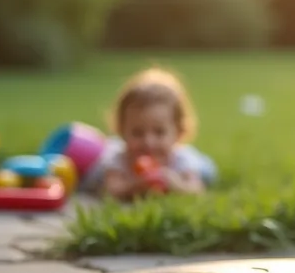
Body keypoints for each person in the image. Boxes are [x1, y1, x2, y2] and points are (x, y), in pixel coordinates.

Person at [82, 67, 218, 201]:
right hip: (109, 158)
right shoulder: (119, 159)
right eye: (137, 133)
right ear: (122, 131)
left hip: (190, 165)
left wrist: (175, 184)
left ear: (179, 132)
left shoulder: (181, 159)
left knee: (207, 170)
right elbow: (111, 191)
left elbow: (196, 191)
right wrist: (137, 186)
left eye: (159, 132)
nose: (148, 142)